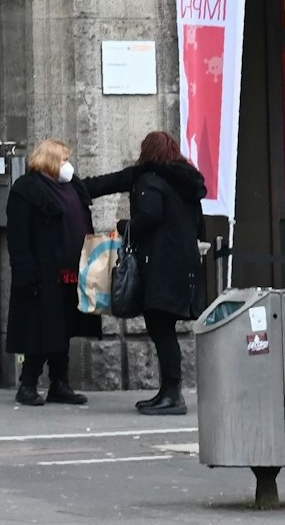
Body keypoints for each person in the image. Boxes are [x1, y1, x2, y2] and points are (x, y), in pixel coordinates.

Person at [83, 130, 207, 417]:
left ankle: (173, 395)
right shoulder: (184, 182)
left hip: (163, 266)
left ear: (147, 151)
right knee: (162, 327)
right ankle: (167, 392)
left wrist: (124, 225)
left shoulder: (150, 181)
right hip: (183, 265)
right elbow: (198, 224)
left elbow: (150, 217)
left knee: (161, 328)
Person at [4, 138, 102, 407]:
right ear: (49, 161)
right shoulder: (27, 190)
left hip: (71, 271)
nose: (67, 165)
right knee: (42, 331)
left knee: (64, 328)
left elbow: (98, 185)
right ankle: (28, 383)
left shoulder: (71, 186)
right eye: (63, 159)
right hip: (43, 272)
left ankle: (60, 383)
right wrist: (25, 270)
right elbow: (19, 235)